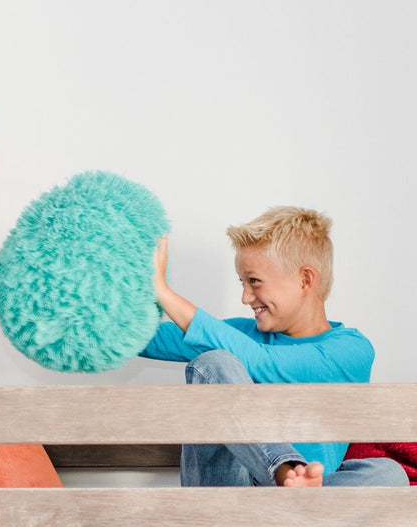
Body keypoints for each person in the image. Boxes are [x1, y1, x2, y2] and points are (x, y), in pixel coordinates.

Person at [141, 206, 407, 488]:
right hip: (230, 494)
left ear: (305, 280)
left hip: (309, 498)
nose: (245, 297)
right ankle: (285, 471)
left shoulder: (351, 349)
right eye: (242, 282)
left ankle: (296, 494)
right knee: (215, 363)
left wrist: (165, 293)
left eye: (254, 281)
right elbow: (147, 337)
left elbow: (265, 362)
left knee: (389, 473)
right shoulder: (240, 336)